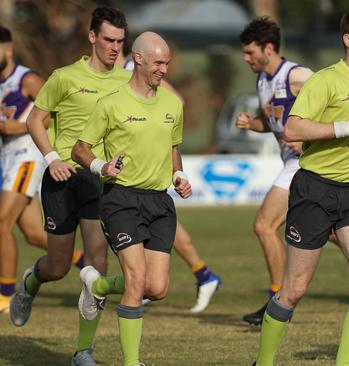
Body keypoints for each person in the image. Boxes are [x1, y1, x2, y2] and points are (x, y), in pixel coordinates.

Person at [238, 16, 349, 325]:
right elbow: (277, 124)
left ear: (269, 48)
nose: (246, 58)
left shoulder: (299, 75)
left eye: (250, 52)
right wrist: (254, 125)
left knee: (264, 225)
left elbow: (333, 100)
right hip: (304, 167)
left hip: (303, 164)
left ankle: (277, 296)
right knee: (329, 231)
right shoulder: (263, 81)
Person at [11, 7, 130, 365]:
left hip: (99, 179)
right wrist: (52, 159)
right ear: (92, 37)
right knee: (59, 267)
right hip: (61, 178)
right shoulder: (64, 77)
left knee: (96, 260)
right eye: (108, 39)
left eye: (120, 42)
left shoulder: (127, 82)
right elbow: (35, 120)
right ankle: (32, 280)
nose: (114, 47)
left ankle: (83, 351)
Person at [71, 31, 190, 366]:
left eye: (167, 62)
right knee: (136, 280)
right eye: (158, 62)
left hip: (160, 202)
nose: (164, 69)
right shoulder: (111, 103)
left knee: (157, 287)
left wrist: (178, 175)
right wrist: (101, 165)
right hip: (120, 199)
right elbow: (79, 148)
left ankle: (98, 286)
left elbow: (173, 147)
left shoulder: (172, 104)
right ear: (138, 59)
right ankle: (133, 362)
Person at [119, 37, 221, 314]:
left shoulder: (131, 70)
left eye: (116, 41)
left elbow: (175, 101)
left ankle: (114, 285)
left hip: (144, 167)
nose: (111, 47)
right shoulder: (109, 77)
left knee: (160, 226)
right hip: (116, 170)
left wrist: (152, 129)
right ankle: (199, 275)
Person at [0, 26, 86, 313]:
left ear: (8, 49)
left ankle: (6, 293)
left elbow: (49, 114)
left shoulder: (28, 79)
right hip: (9, 157)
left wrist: (14, 127)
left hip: (27, 156)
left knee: (1, 224)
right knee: (35, 235)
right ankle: (81, 261)